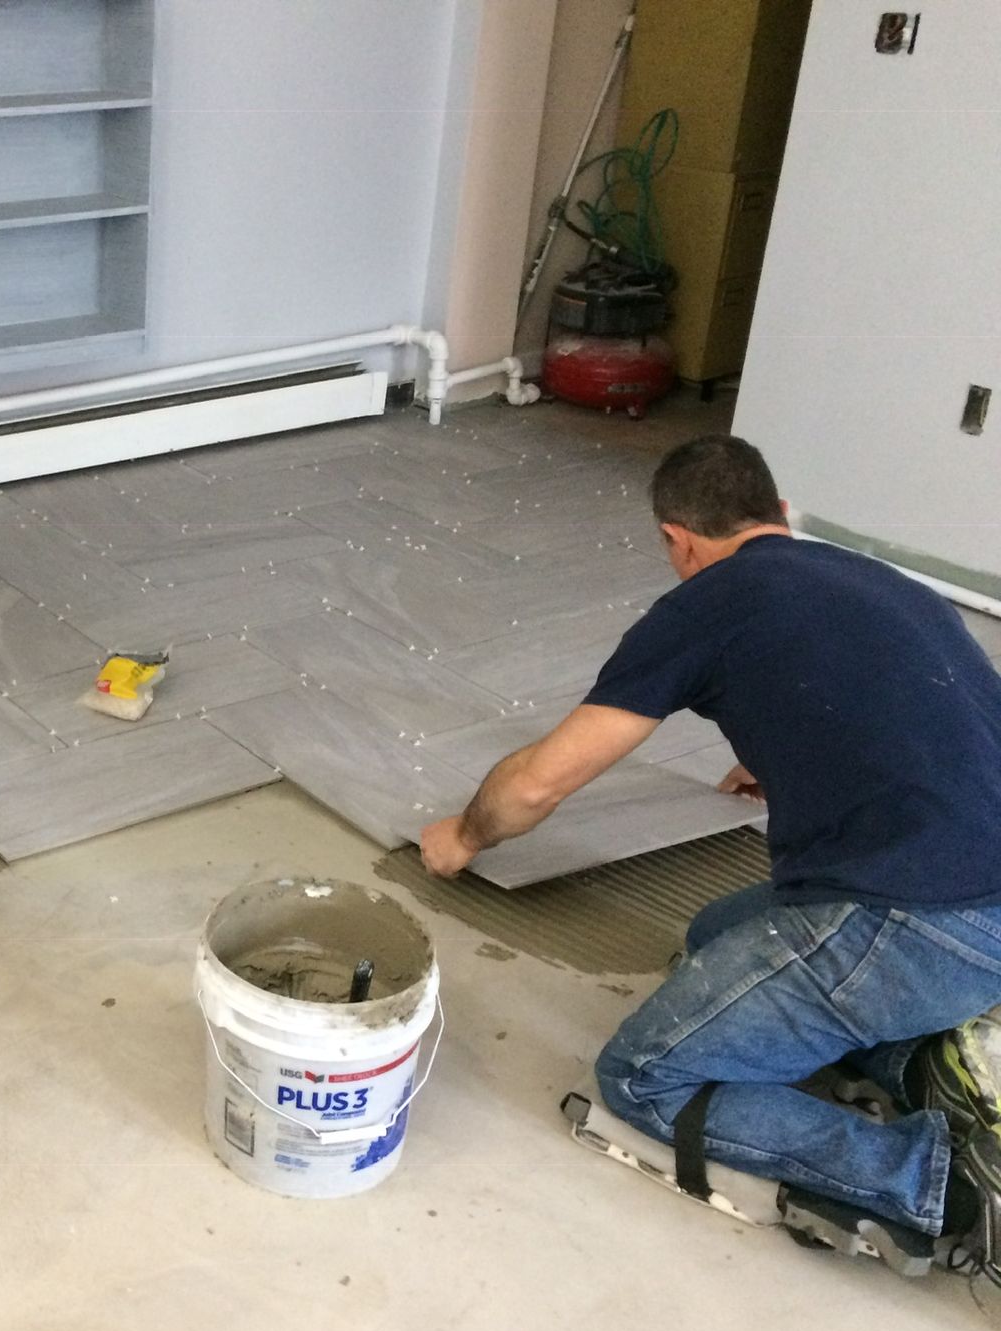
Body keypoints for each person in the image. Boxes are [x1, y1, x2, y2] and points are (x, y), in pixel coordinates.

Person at [419, 434, 1001, 1272]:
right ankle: (928, 1059)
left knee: (645, 1074)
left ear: (678, 541)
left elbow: (539, 785)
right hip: (978, 890)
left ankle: (937, 1181)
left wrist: (465, 835)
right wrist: (780, 747)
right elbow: (916, 713)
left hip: (915, 916)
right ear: (781, 516)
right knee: (713, 936)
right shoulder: (870, 577)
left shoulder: (707, 604)